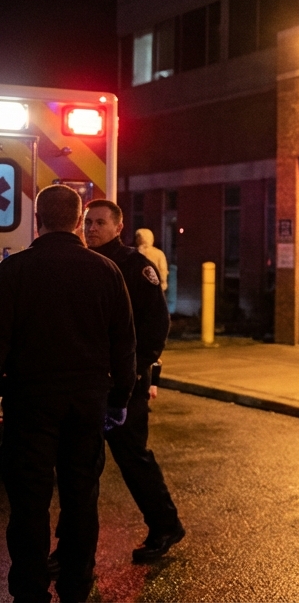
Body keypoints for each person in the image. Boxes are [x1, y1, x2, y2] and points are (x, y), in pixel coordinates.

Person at [0, 185, 137, 602]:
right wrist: (120, 398)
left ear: (38, 219)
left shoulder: (13, 271)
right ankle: (77, 583)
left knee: (29, 501)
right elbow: (124, 342)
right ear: (79, 221)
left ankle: (29, 588)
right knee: (81, 496)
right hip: (86, 401)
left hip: (30, 402)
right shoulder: (106, 271)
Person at [63, 200, 184, 564]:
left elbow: (155, 325)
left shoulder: (135, 266)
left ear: (119, 227)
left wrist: (134, 372)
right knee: (80, 465)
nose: (92, 228)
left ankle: (165, 525)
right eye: (88, 221)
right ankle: (70, 547)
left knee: (132, 458)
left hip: (124, 384)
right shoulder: (82, 263)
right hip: (87, 382)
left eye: (100, 222)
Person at [133, 228, 168, 293]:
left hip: (137, 292)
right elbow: (163, 274)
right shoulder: (159, 254)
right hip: (155, 290)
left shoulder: (134, 253)